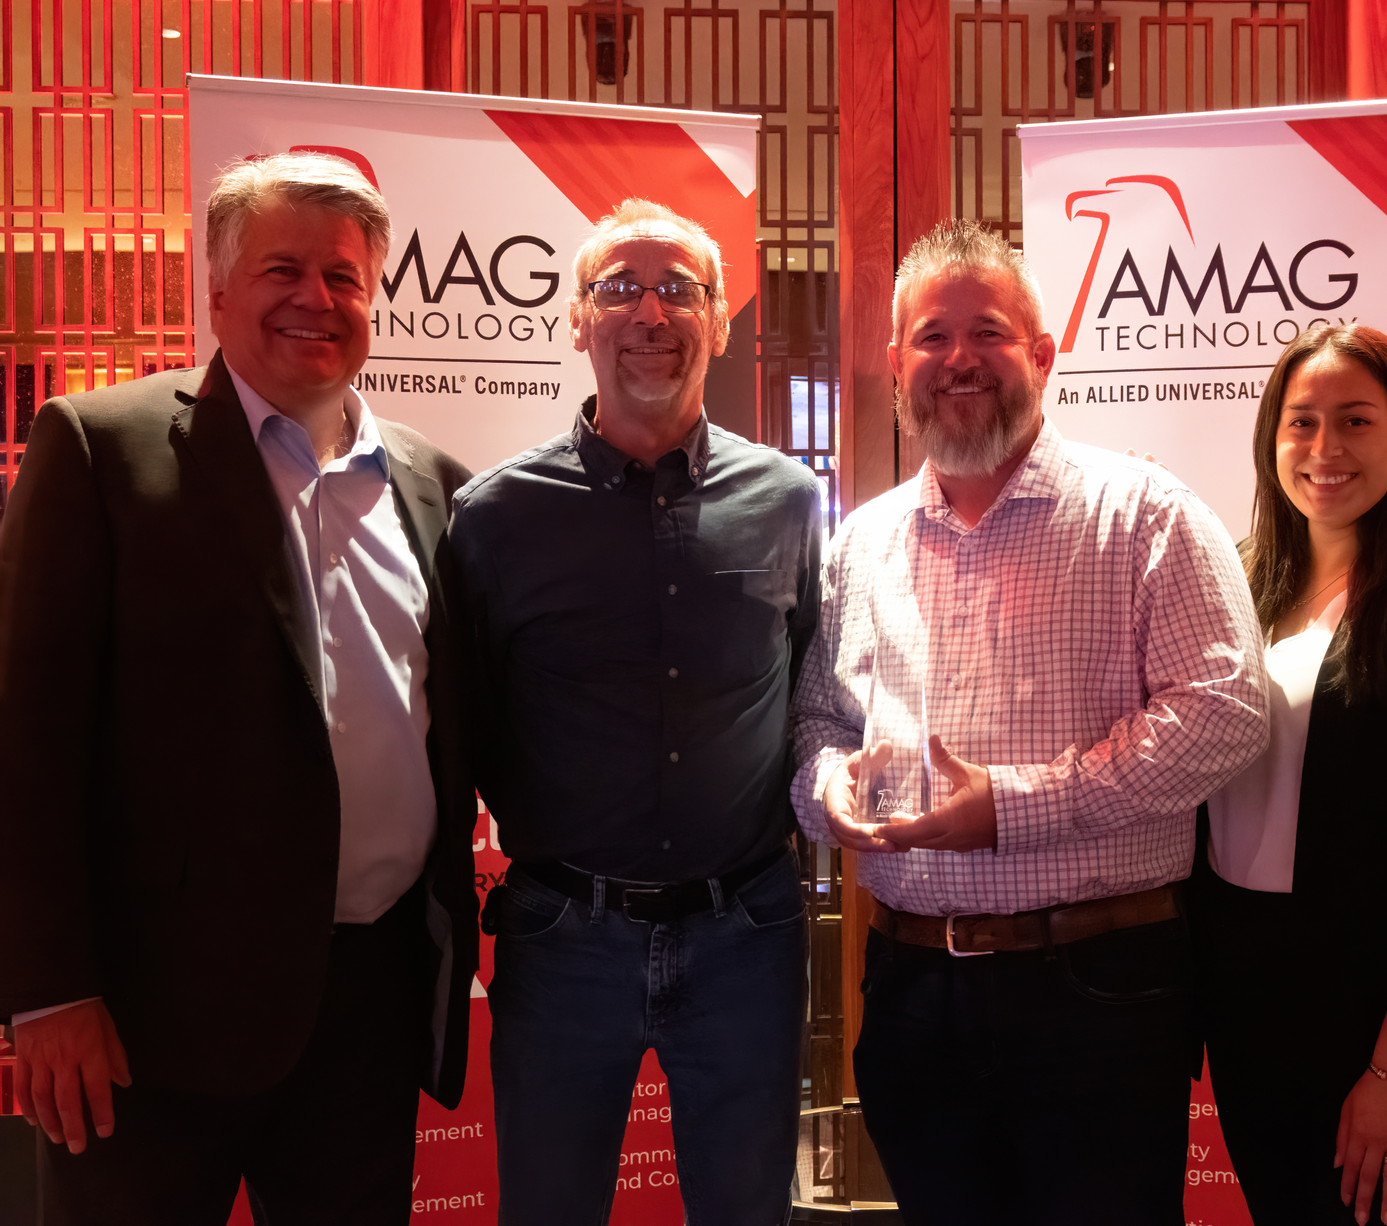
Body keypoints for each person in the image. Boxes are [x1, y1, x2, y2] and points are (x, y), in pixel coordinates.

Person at [0, 151, 477, 1223]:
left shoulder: (435, 483)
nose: (316, 298)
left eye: (345, 277)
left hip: (368, 1005)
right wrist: (47, 989)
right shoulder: (102, 450)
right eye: (282, 269)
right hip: (148, 1016)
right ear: (216, 290)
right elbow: (26, 740)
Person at [789, 219, 1268, 1225]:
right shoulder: (864, 541)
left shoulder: (1146, 513)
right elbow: (819, 721)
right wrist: (825, 789)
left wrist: (1011, 807)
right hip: (914, 981)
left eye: (988, 333)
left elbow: (1225, 713)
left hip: (1097, 985)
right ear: (895, 364)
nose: (958, 359)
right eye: (931, 337)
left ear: (1044, 354)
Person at [446, 196, 821, 1225]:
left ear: (721, 319)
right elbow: (464, 721)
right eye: (619, 288)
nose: (650, 313)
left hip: (745, 928)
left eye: (678, 290)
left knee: (748, 1211)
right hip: (563, 933)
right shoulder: (494, 516)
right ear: (575, 319)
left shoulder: (789, 499)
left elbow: (810, 688)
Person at [1191, 325, 1387, 1226]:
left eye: (1356, 421)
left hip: (1377, 1010)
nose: (1325, 450)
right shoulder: (1241, 587)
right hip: (1251, 1002)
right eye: (1302, 424)